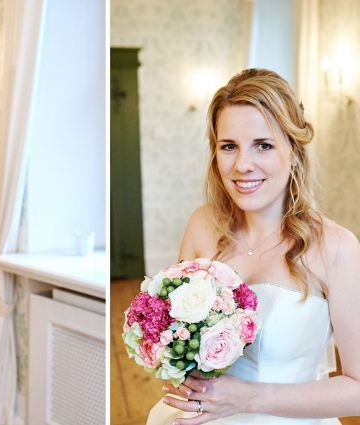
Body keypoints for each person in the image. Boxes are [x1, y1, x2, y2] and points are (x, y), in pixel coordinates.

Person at [146, 69, 360, 425]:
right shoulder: (201, 225)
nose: (243, 165)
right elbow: (176, 339)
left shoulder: (336, 248)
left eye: (263, 145)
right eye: (229, 146)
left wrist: (250, 397)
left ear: (293, 150)